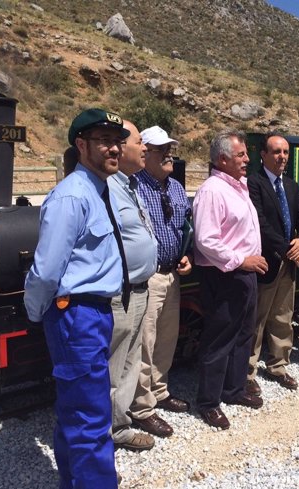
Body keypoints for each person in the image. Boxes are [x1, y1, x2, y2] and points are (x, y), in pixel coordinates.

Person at [24, 108, 130, 489]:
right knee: (90, 424)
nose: (114, 147)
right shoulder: (72, 195)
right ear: (81, 145)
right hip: (77, 316)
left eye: (117, 139)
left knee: (78, 417)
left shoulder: (98, 188)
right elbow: (47, 270)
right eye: (103, 139)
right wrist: (36, 312)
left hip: (91, 315)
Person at [192, 129, 267, 429]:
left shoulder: (238, 186)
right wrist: (241, 260)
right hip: (224, 274)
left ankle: (234, 390)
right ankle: (208, 402)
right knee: (220, 338)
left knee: (243, 334)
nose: (247, 159)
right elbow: (206, 240)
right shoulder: (212, 190)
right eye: (241, 154)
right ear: (222, 159)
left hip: (245, 273)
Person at [131, 125, 193, 438]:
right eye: (161, 149)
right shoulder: (133, 187)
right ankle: (141, 408)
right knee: (146, 342)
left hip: (173, 273)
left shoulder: (176, 188)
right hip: (148, 276)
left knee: (166, 338)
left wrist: (187, 255)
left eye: (169, 147)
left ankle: (159, 390)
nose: (169, 154)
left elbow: (185, 226)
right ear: (145, 153)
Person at [245, 132, 299, 396]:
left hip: (288, 264)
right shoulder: (253, 183)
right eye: (276, 151)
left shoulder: (292, 186)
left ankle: (278, 366)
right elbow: (260, 224)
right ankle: (248, 372)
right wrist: (287, 248)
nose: (282, 156)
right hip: (266, 262)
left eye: (285, 152)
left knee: (283, 318)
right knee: (257, 320)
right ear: (263, 155)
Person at [107, 120, 159, 451]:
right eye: (139, 142)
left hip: (140, 289)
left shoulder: (128, 185)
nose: (144, 149)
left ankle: (119, 426)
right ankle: (104, 437)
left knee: (129, 365)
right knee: (113, 370)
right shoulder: (106, 188)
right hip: (120, 293)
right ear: (120, 146)